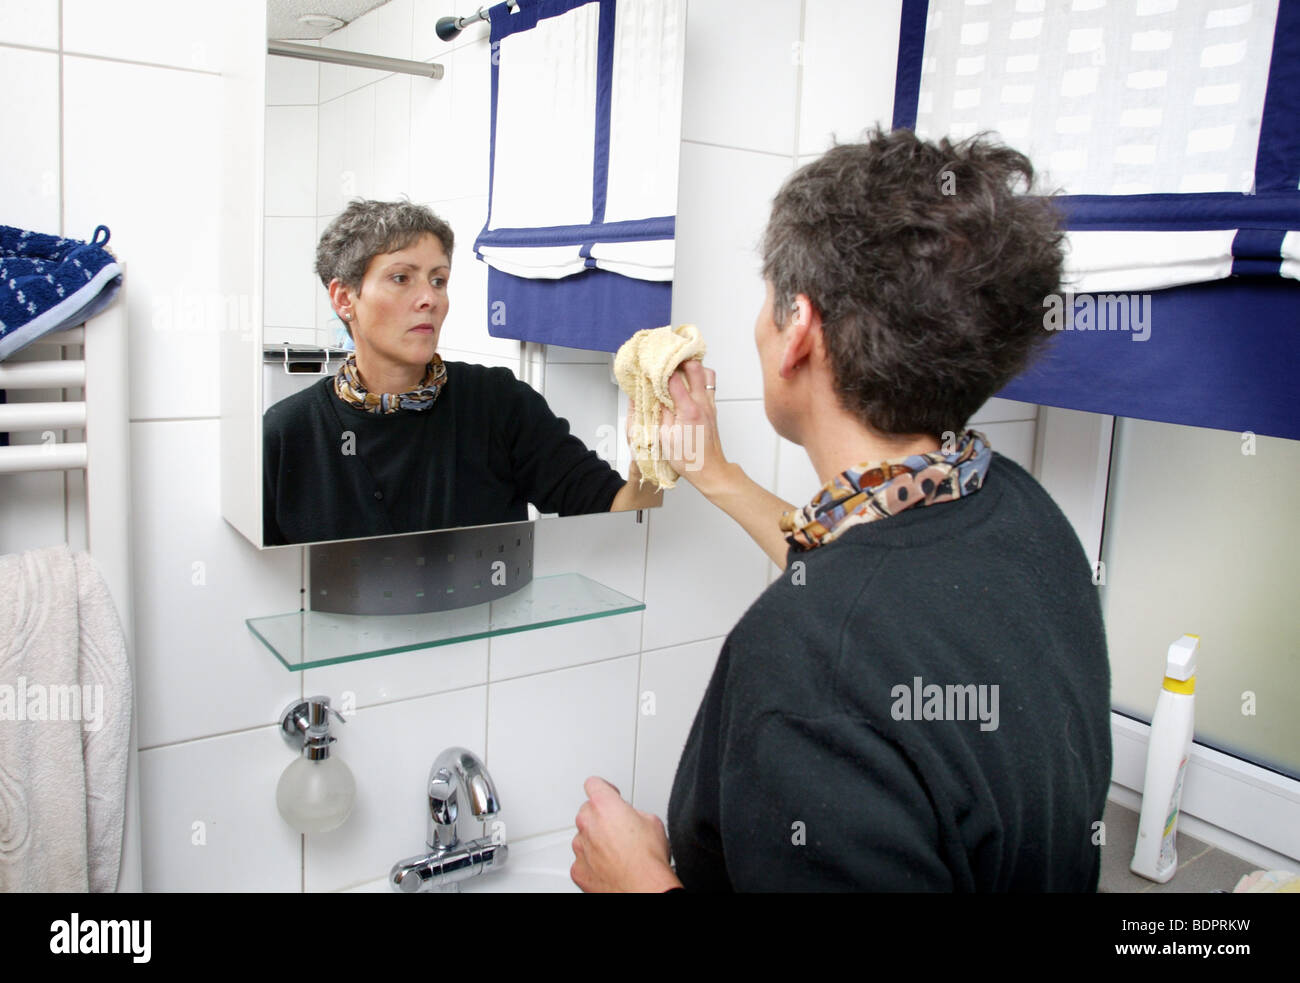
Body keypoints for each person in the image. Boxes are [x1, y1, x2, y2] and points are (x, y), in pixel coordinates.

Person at [570, 129, 1113, 891]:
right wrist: (716, 474)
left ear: (799, 330)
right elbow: (873, 585)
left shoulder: (803, 670)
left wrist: (638, 881)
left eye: (768, 301)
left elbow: (852, 623)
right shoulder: (1019, 511)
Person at [263, 200, 662, 546]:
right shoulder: (286, 433)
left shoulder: (499, 403)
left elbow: (618, 516)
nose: (430, 299)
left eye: (438, 280)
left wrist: (648, 465)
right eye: (402, 278)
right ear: (344, 297)